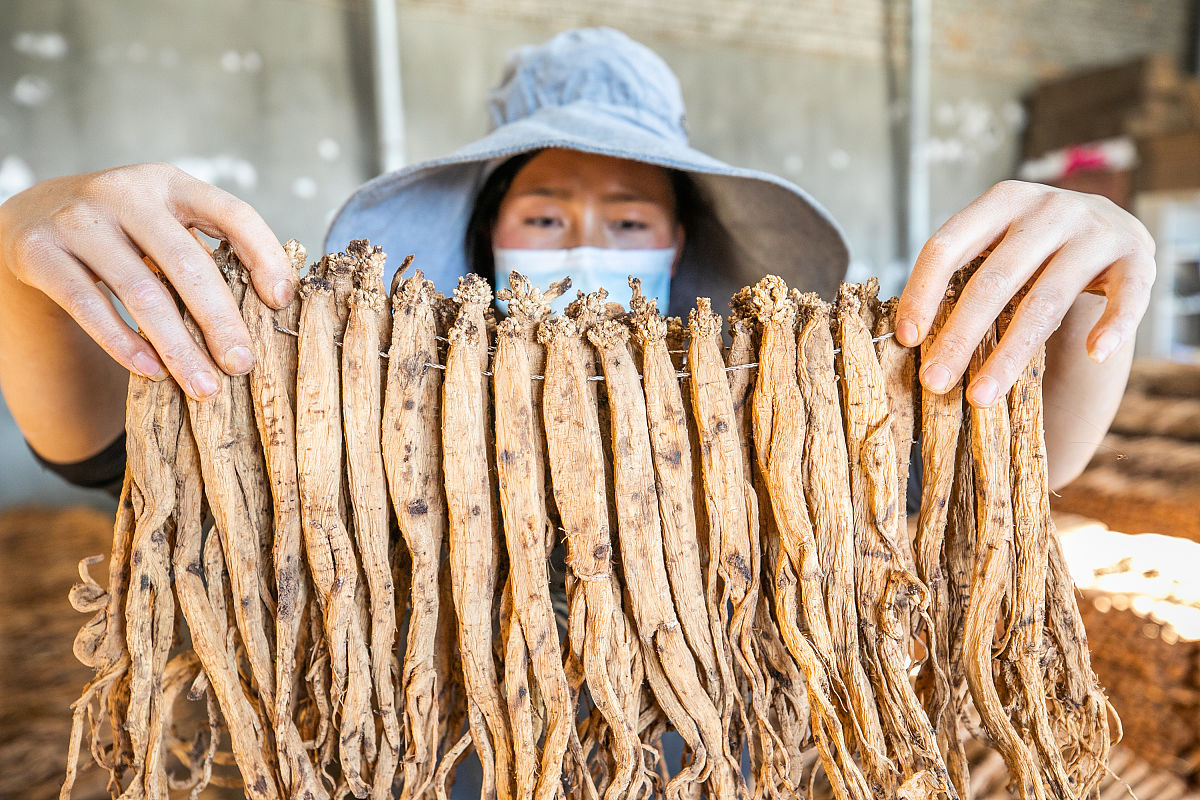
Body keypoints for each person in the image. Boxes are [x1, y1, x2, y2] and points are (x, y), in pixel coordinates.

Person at [0, 27, 1152, 499]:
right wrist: (23, 244)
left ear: (687, 246)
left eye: (631, 220)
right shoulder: (357, 410)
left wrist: (1101, 270)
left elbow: (1020, 464)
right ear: (481, 239)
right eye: (544, 217)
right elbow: (95, 445)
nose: (587, 245)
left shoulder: (770, 412)